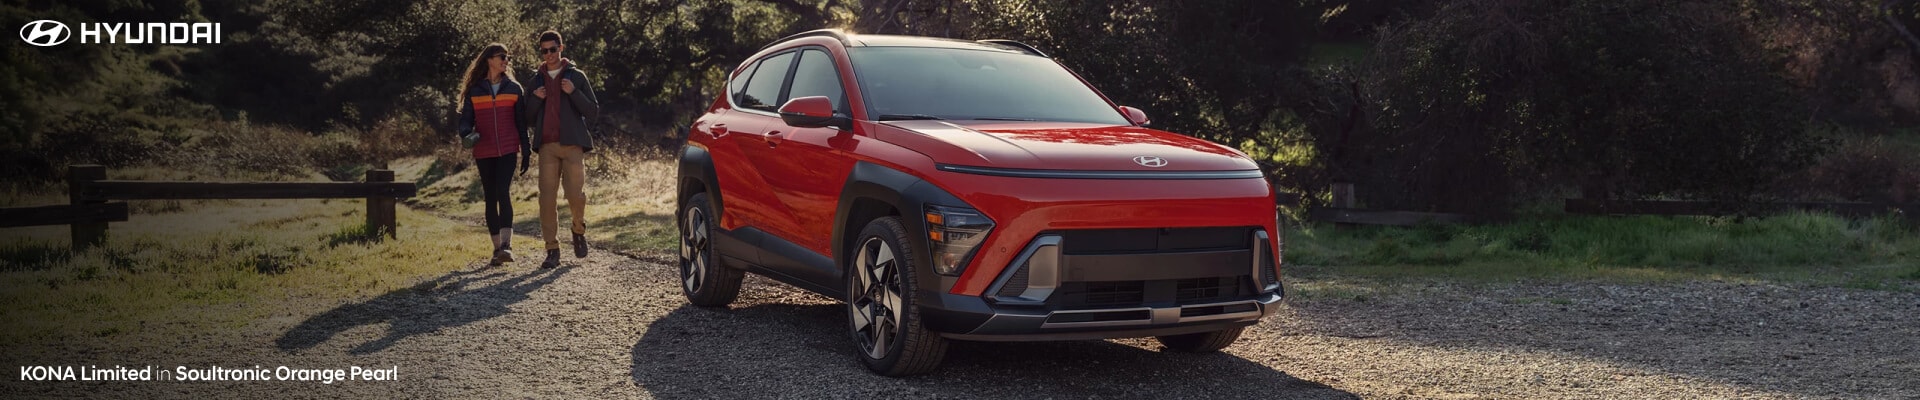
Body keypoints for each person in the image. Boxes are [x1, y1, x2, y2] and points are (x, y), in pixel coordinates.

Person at [522, 30, 600, 269]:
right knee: (546, 199)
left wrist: (573, 92)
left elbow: (593, 112)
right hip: (547, 146)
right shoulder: (535, 81)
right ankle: (552, 249)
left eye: (552, 49)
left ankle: (578, 230)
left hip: (573, 144)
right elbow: (525, 117)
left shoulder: (576, 76)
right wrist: (535, 99)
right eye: (544, 51)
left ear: (561, 48)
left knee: (576, 195)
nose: (549, 54)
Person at [455, 43, 533, 267]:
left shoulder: (514, 88)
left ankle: (507, 247)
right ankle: (497, 248)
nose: (506, 60)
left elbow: (521, 123)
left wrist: (526, 151)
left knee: (502, 192)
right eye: (502, 57)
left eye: (508, 57)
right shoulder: (475, 89)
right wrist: (465, 133)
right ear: (489, 59)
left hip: (508, 148)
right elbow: (466, 119)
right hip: (484, 149)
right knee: (490, 196)